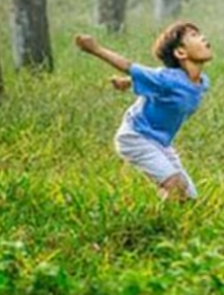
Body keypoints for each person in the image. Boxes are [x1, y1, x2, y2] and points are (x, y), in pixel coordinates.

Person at [75, 22, 213, 200]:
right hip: (136, 137)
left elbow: (153, 82)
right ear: (180, 52)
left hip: (161, 144)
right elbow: (129, 66)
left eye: (200, 33)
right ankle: (159, 225)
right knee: (175, 185)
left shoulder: (202, 82)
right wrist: (95, 49)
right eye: (194, 36)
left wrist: (128, 82)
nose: (202, 38)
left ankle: (168, 221)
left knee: (189, 197)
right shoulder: (167, 79)